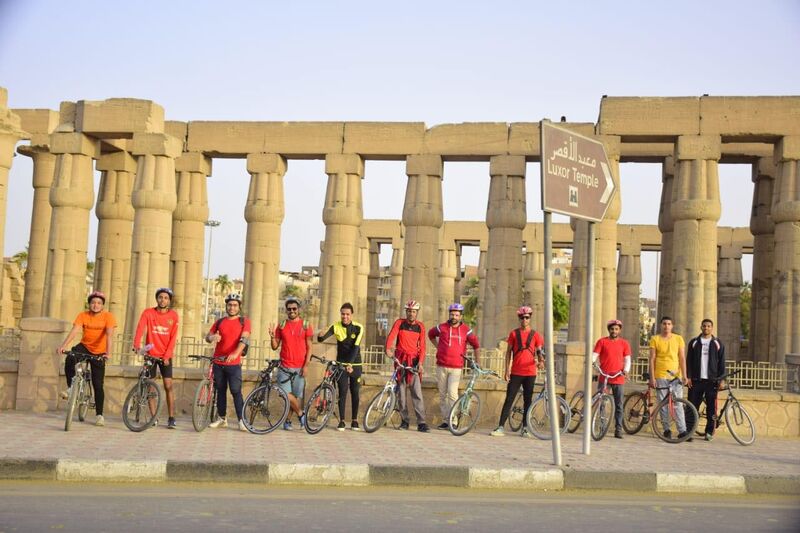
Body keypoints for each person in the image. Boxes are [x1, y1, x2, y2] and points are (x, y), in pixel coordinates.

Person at [57, 291, 116, 427]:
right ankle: (71, 388)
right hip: (85, 346)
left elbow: (109, 336)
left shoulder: (108, 317)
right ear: (89, 304)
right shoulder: (83, 315)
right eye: (93, 302)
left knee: (97, 384)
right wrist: (63, 346)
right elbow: (75, 331)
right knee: (70, 358)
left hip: (100, 351)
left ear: (102, 305)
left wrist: (108, 353)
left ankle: (99, 415)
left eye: (99, 303)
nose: (96, 305)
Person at [491, 306, 543, 437]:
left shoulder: (536, 335)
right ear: (519, 318)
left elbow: (539, 351)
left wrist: (541, 361)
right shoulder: (514, 334)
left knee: (528, 400)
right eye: (522, 317)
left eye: (527, 317)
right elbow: (509, 352)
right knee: (509, 398)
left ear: (530, 318)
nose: (524, 319)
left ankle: (525, 428)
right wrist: (506, 369)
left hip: (530, 372)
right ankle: (501, 426)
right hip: (516, 371)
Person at [132, 287, 180, 429]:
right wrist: (136, 344)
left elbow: (173, 337)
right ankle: (154, 417)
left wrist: (167, 355)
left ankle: (171, 417)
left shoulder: (174, 316)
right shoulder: (148, 313)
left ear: (169, 300)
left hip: (165, 355)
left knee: (168, 386)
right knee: (150, 387)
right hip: (150, 355)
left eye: (165, 298)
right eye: (160, 297)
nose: (162, 300)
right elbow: (140, 328)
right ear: (157, 299)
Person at [428, 302, 480, 430]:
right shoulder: (442, 327)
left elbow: (476, 345)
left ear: (460, 316)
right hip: (441, 366)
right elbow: (430, 334)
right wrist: (438, 346)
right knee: (442, 395)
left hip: (456, 367)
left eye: (456, 315)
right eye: (452, 314)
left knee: (452, 394)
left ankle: (454, 421)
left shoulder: (466, 330)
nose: (454, 317)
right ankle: (446, 420)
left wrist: (478, 361)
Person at [205, 292, 251, 432]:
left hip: (233, 364)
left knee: (236, 391)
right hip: (218, 362)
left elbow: (244, 339)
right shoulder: (219, 322)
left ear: (239, 307)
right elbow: (207, 336)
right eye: (230, 305)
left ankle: (242, 420)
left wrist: (236, 353)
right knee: (220, 391)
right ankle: (222, 418)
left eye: (235, 305)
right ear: (226, 306)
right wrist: (213, 337)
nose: (232, 307)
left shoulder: (244, 322)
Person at [317, 302, 364, 431]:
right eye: (343, 314)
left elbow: (355, 348)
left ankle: (354, 420)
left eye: (347, 314)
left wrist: (350, 364)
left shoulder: (359, 327)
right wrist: (320, 335)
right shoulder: (336, 326)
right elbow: (322, 339)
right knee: (342, 392)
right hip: (341, 364)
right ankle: (342, 421)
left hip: (356, 364)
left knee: (355, 392)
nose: (345, 317)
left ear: (352, 315)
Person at [385, 299, 429, 432]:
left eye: (414, 312)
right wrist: (388, 349)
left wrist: (420, 363)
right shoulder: (399, 323)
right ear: (406, 312)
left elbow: (423, 346)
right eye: (409, 311)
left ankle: (421, 422)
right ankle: (404, 421)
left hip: (414, 362)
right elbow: (391, 336)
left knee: (417, 393)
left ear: (417, 313)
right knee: (401, 394)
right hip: (401, 360)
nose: (411, 314)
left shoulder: (420, 326)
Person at [269, 297, 312, 430]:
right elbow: (275, 346)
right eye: (289, 309)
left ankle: (287, 421)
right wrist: (271, 337)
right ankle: (301, 414)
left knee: (294, 397)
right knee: (284, 393)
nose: (292, 311)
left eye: (294, 308)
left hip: (299, 367)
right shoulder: (282, 325)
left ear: (299, 309)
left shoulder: (306, 325)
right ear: (286, 310)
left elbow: (310, 347)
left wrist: (306, 366)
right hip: (285, 366)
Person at [648, 316, 689, 440]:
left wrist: (685, 375)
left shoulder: (678, 339)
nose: (666, 326)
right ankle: (666, 429)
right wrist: (652, 377)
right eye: (664, 323)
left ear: (672, 326)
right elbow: (652, 359)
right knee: (663, 404)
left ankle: (682, 430)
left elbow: (682, 358)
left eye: (669, 324)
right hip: (660, 374)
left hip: (675, 375)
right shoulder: (655, 339)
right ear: (661, 325)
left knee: (678, 403)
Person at [591, 318, 632, 439]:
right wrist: (592, 362)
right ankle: (602, 426)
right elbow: (595, 355)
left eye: (616, 329)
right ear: (609, 330)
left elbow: (627, 359)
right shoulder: (602, 342)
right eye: (612, 329)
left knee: (619, 404)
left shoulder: (624, 343)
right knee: (602, 402)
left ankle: (618, 429)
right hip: (604, 377)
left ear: (619, 330)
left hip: (618, 377)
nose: (614, 331)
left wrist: (626, 371)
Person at [687, 319, 726, 441]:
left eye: (709, 326)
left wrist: (721, 379)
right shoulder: (694, 342)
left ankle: (709, 432)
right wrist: (688, 377)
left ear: (712, 328)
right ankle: (689, 431)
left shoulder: (717, 343)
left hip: (712, 381)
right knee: (692, 406)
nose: (706, 328)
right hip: (696, 380)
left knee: (711, 408)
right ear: (701, 327)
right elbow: (689, 361)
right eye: (704, 326)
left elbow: (722, 363)